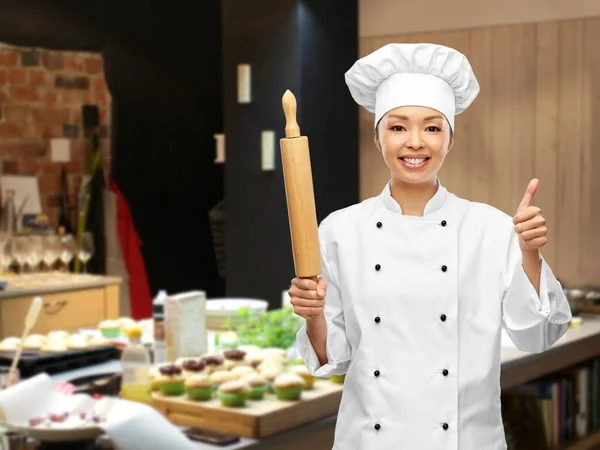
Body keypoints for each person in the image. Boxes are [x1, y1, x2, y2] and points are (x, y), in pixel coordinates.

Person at [288, 43, 572, 450]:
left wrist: (529, 252)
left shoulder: (491, 228)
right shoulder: (339, 230)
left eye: (433, 127)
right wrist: (313, 314)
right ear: (377, 138)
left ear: (450, 141)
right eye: (398, 126)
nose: (415, 142)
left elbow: (538, 336)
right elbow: (334, 358)